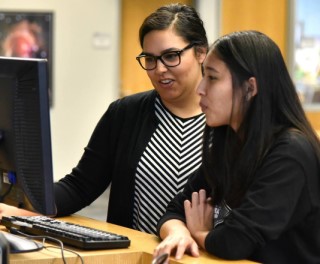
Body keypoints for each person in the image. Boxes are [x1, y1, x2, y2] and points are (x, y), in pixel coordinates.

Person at [0, 3, 208, 235]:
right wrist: (30, 206)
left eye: (171, 56)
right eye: (150, 59)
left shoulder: (229, 121)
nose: (159, 69)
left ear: (201, 52)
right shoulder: (125, 113)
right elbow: (81, 186)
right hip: (139, 256)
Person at [153, 30, 320, 263]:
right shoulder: (228, 145)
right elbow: (174, 210)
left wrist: (201, 233)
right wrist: (179, 232)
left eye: (212, 77)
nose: (200, 89)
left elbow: (234, 243)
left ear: (250, 88)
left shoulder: (290, 153)